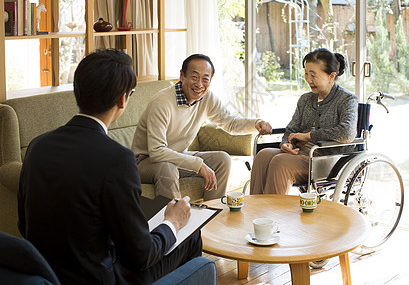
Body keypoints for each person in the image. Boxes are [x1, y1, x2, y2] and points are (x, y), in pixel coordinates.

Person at [18, 49, 202, 285]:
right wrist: (172, 222)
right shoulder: (117, 158)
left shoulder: (37, 146)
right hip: (99, 279)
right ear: (122, 99)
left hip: (45, 273)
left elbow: (24, 225)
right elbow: (140, 256)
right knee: (191, 236)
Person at [131, 54, 272, 201]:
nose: (199, 84)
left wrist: (256, 123)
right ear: (182, 76)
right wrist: (198, 165)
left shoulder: (206, 98)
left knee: (222, 160)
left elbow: (231, 123)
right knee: (167, 168)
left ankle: (211, 214)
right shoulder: (162, 102)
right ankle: (172, 221)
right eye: (194, 77)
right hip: (144, 161)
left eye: (205, 79)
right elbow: (156, 152)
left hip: (176, 155)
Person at [250, 48, 358, 195]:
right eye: (306, 73)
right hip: (301, 154)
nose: (308, 79)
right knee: (263, 155)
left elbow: (347, 133)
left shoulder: (347, 100)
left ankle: (274, 215)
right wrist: (286, 144)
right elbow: (290, 129)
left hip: (326, 161)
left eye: (313, 75)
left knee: (280, 162)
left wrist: (309, 136)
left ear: (331, 76)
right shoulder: (306, 99)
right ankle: (256, 211)